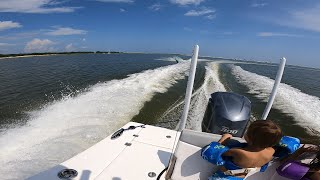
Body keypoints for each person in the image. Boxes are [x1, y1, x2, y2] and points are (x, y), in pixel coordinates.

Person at [209, 120, 283, 178]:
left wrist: (225, 137)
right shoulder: (271, 152)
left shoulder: (237, 152)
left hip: (224, 177)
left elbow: (217, 151)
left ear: (249, 138)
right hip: (241, 177)